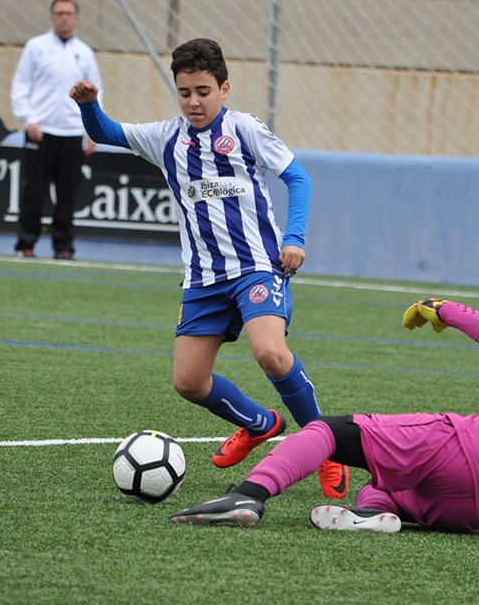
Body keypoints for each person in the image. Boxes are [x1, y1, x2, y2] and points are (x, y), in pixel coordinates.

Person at [69, 38, 349, 498]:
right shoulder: (166, 138)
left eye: (203, 90)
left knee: (270, 353)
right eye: (185, 92)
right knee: (189, 382)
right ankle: (260, 423)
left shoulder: (244, 129)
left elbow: (297, 177)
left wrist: (294, 238)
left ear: (224, 88)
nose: (194, 101)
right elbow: (107, 132)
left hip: (257, 268)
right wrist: (89, 105)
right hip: (202, 279)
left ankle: (327, 447)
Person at [170, 298, 479, 543]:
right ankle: (378, 513)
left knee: (329, 432)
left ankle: (248, 497)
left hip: (466, 447)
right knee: (386, 492)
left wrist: (445, 310)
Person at [10, 0, 102, 260]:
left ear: (76, 18)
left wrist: (92, 131)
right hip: (41, 133)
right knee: (33, 195)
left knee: (67, 196)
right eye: (59, 13)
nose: (64, 17)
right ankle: (26, 245)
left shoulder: (84, 53)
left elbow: (97, 92)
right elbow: (20, 85)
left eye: (69, 13)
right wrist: (29, 120)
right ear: (52, 17)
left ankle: (63, 247)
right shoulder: (36, 47)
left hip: (72, 134)